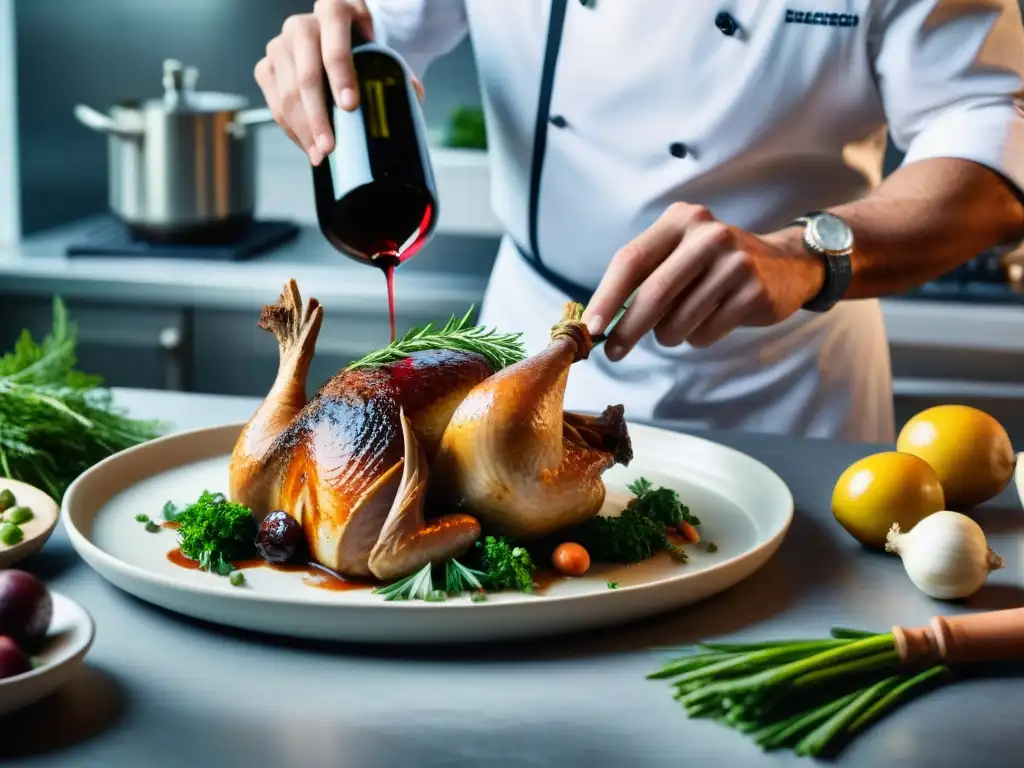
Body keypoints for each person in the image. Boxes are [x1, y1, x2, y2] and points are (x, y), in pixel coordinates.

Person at [255, 0, 1024, 443]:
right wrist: (325, 44)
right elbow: (377, 29)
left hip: (783, 375)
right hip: (528, 342)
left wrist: (806, 257)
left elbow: (992, 140)